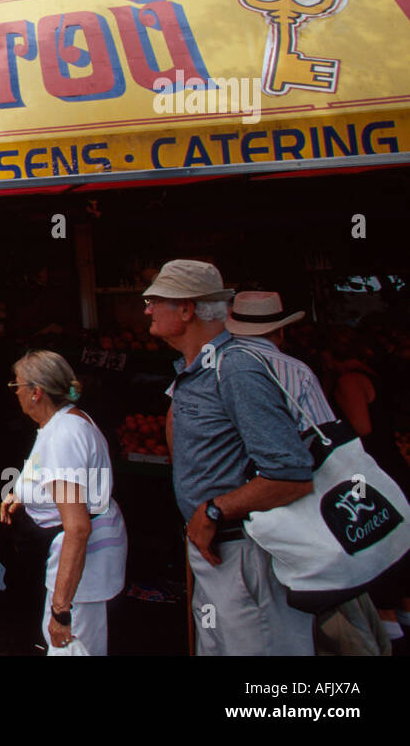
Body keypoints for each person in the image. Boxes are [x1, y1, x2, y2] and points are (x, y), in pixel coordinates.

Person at [144, 259, 315, 656]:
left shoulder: (235, 368)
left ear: (186, 309)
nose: (147, 308)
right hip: (218, 555)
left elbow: (290, 475)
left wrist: (214, 511)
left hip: (243, 555)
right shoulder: (197, 368)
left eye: (155, 300)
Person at [226, 291, 393, 656]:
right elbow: (325, 436)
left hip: (255, 510)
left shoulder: (222, 367)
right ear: (280, 332)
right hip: (311, 504)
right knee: (333, 599)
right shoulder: (295, 370)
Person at [0, 351, 127, 654]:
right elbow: (59, 485)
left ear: (36, 392)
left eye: (16, 385)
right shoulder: (63, 423)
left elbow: (78, 527)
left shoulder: (63, 438)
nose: (15, 392)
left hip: (82, 563)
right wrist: (24, 497)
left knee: (69, 645)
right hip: (87, 557)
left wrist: (61, 610)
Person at [322, 326, 410, 641]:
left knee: (375, 538)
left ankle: (388, 627)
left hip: (370, 470)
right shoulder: (374, 377)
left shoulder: (348, 381)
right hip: (391, 467)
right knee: (397, 538)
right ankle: (401, 614)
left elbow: (361, 426)